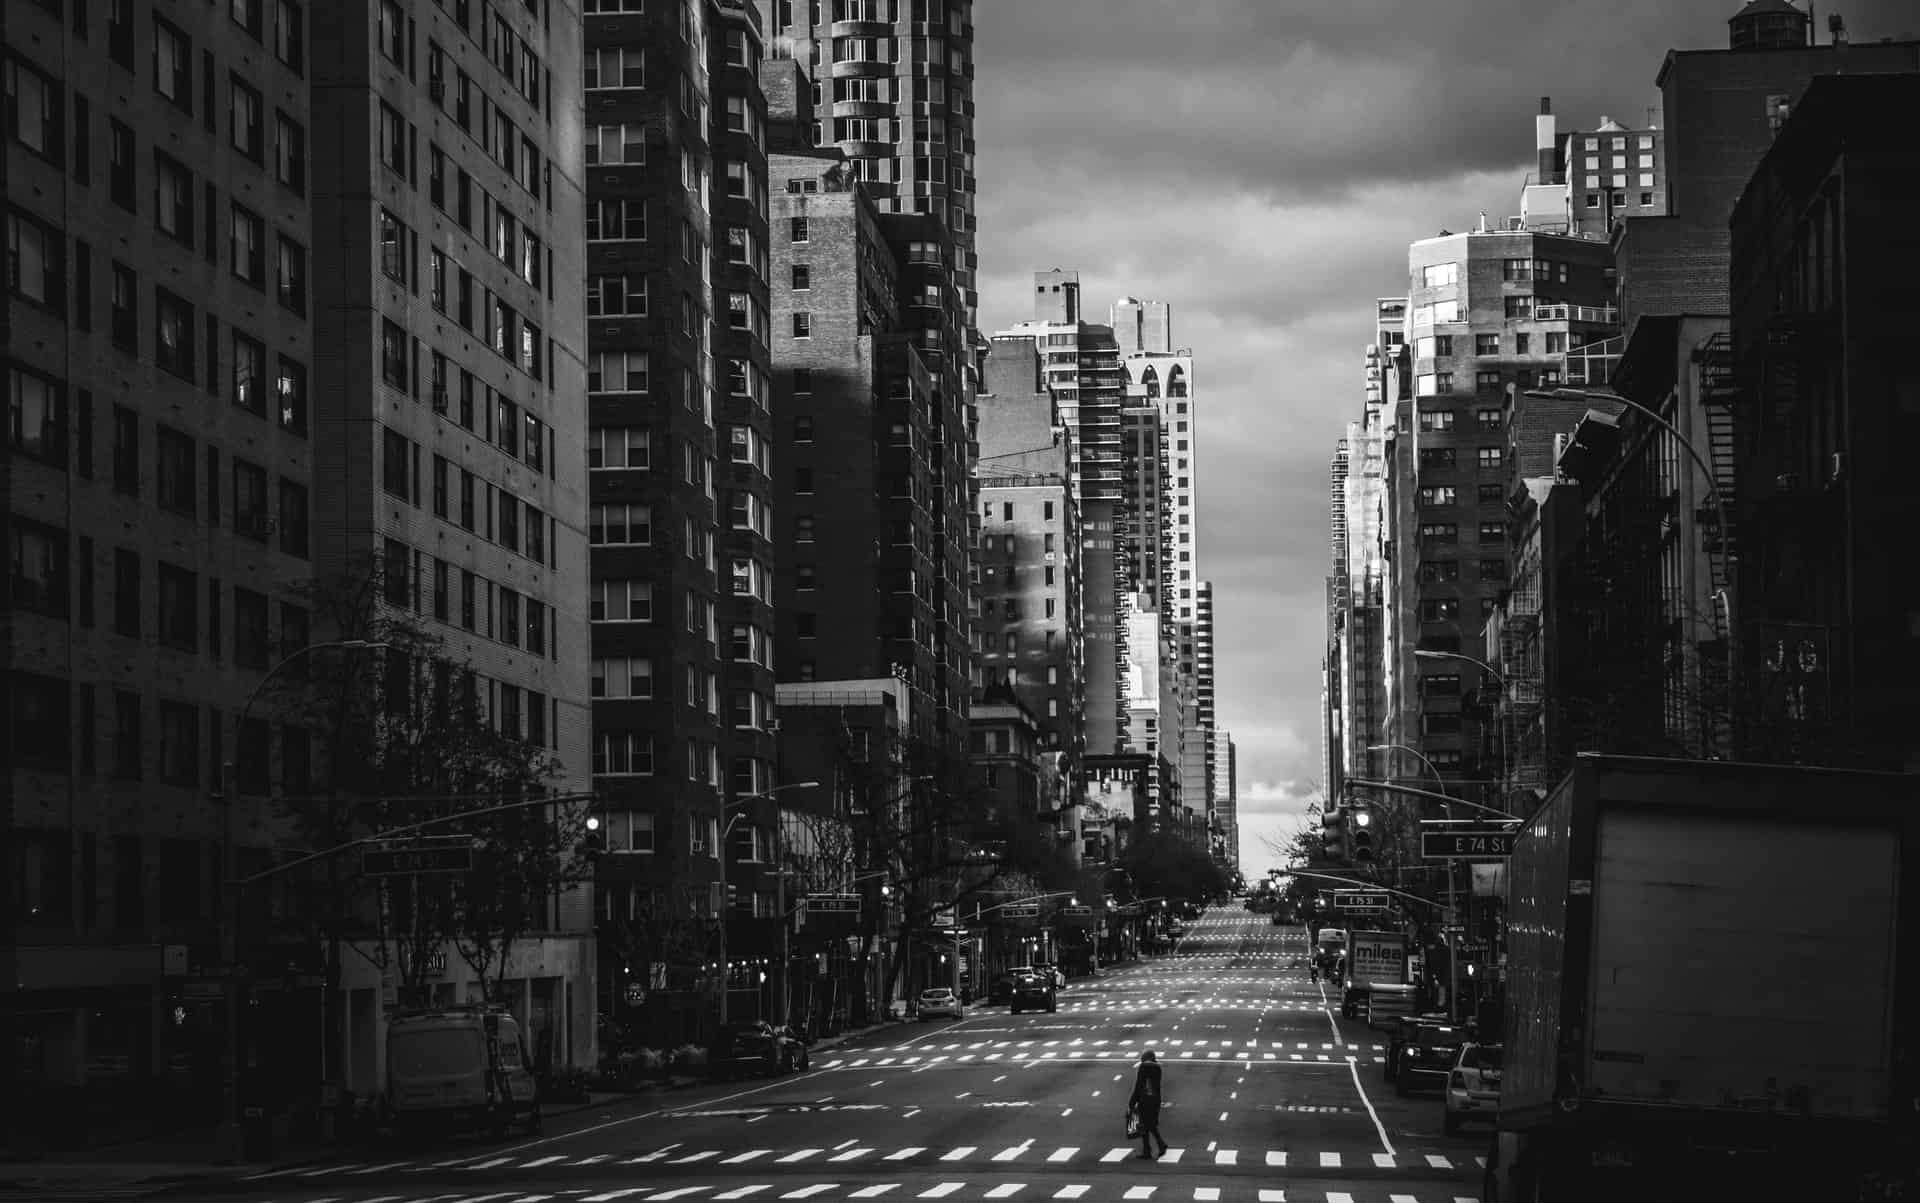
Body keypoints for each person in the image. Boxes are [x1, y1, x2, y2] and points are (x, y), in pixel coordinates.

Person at [1127, 1050, 1168, 1160]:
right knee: (1151, 1125)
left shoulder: (1143, 1067)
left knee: (1144, 1126)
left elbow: (1139, 1085)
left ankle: (1150, 1149)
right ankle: (1157, 1146)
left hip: (1144, 1100)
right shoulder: (1157, 1068)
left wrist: (1132, 1101)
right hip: (1155, 1100)